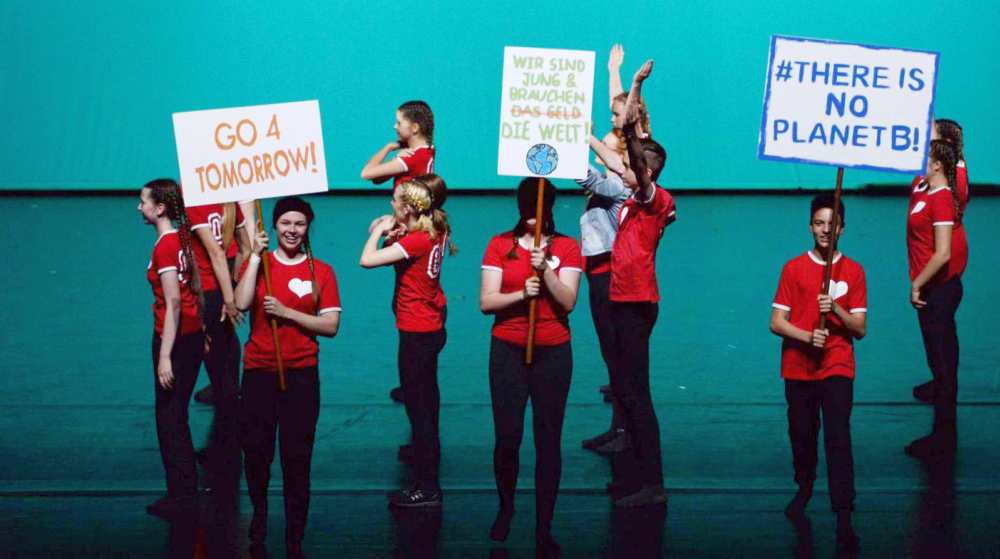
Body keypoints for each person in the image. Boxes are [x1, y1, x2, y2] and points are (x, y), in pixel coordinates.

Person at [235, 197, 341, 559]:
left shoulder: (321, 272)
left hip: (301, 376)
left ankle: (295, 534)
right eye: (285, 223)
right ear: (274, 226)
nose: (292, 230)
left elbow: (330, 325)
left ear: (308, 228)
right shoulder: (260, 265)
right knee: (257, 454)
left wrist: (287, 313)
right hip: (258, 373)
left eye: (299, 223)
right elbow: (240, 302)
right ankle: (260, 513)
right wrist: (253, 257)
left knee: (297, 458)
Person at [480, 178, 582, 556]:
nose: (530, 213)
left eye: (536, 205)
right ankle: (505, 507)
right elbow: (486, 302)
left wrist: (547, 272)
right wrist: (522, 293)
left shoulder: (567, 247)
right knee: (507, 438)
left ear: (549, 206)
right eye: (525, 204)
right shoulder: (499, 245)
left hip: (553, 352)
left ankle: (544, 525)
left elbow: (568, 302)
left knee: (548, 439)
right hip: (507, 349)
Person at [769, 194, 866, 555]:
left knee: (838, 437)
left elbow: (860, 328)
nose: (826, 229)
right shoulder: (793, 268)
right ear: (811, 226)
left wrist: (836, 308)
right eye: (820, 223)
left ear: (842, 228)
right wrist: (808, 336)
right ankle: (805, 486)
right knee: (802, 434)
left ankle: (843, 510)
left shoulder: (854, 271)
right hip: (798, 367)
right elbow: (776, 323)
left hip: (837, 365)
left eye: (832, 224)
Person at [599, 61, 674, 508]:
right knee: (626, 392)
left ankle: (653, 483)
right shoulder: (634, 198)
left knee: (637, 396)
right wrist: (584, 136)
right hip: (623, 300)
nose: (623, 167)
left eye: (631, 165)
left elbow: (632, 155)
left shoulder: (651, 198)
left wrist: (635, 84)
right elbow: (614, 158)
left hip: (637, 302)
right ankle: (636, 475)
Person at [360, 178, 454, 507]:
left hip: (417, 332)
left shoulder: (417, 240)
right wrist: (396, 229)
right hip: (430, 326)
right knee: (427, 402)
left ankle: (427, 487)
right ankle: (427, 463)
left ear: (409, 208)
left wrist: (379, 231)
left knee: (419, 411)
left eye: (395, 201)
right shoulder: (434, 230)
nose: (391, 204)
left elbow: (367, 259)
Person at [137, 178, 205, 519]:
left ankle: (181, 495)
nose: (139, 207)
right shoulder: (184, 238)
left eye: (143, 201)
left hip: (174, 339)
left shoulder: (165, 246)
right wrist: (203, 328)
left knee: (169, 418)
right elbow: (197, 285)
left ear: (159, 208)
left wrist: (165, 356)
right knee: (176, 414)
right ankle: (185, 489)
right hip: (191, 336)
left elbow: (174, 302)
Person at [361, 101, 436, 404]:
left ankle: (414, 384)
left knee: (408, 297)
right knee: (405, 292)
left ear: (414, 127)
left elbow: (367, 173)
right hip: (407, 222)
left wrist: (389, 149)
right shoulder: (424, 152)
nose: (395, 127)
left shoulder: (412, 157)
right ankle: (413, 380)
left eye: (398, 123)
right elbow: (379, 177)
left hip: (410, 228)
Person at [904, 139, 968, 460]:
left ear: (938, 164)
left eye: (924, 156)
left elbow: (942, 253)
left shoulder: (942, 199)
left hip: (939, 291)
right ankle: (943, 431)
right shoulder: (924, 187)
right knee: (938, 361)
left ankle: (943, 439)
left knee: (943, 366)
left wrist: (917, 283)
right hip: (932, 291)